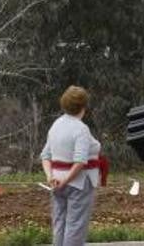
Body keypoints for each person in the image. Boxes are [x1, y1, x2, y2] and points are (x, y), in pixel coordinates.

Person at [41, 86, 105, 246]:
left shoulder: (56, 124)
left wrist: (50, 177)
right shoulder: (81, 129)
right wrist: (67, 179)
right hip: (79, 183)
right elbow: (80, 162)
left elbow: (45, 156)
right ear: (83, 106)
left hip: (56, 181)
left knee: (59, 223)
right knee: (75, 226)